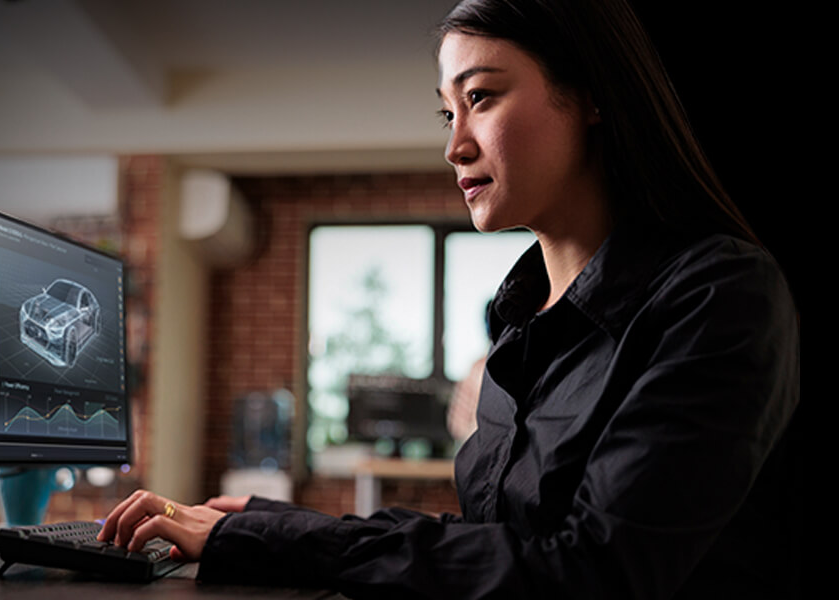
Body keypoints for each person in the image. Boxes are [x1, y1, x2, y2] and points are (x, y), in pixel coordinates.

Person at [98, 0, 801, 598]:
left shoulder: (718, 295)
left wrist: (283, 541)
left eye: (481, 97)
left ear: (592, 95)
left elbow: (592, 571)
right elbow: (493, 542)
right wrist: (270, 524)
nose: (455, 145)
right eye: (447, 113)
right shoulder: (519, 321)